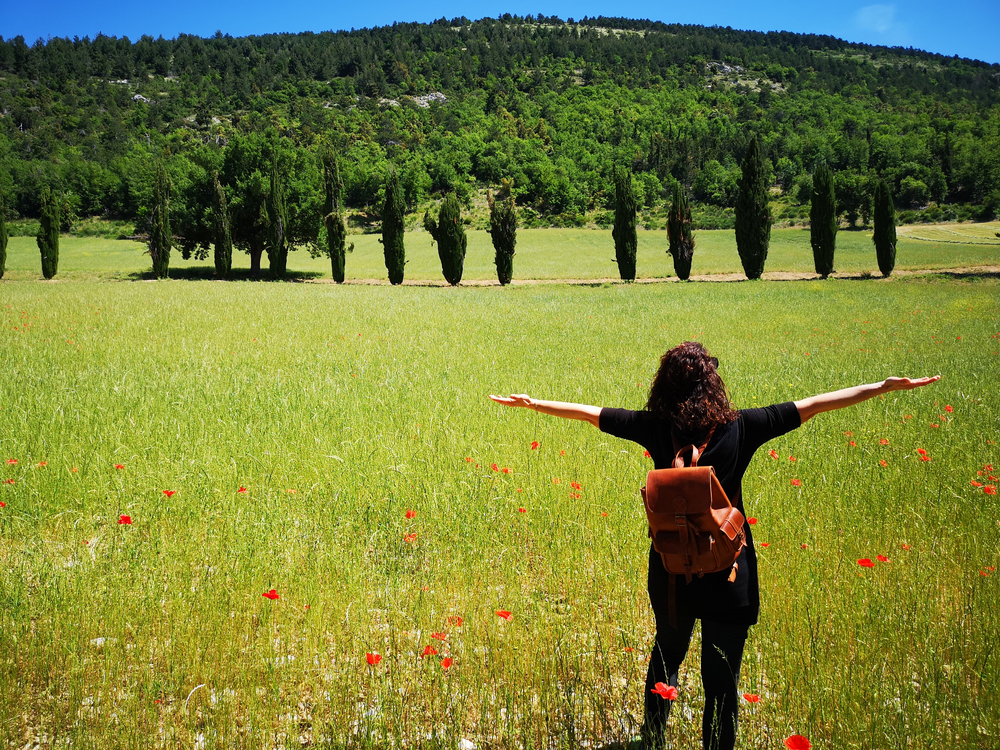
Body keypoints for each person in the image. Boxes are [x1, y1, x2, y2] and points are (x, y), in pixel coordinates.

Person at [489, 341, 939, 750]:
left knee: (667, 655)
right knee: (721, 682)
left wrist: (534, 404)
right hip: (729, 574)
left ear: (664, 386)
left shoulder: (655, 428)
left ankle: (653, 738)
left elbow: (592, 413)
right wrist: (882, 386)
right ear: (713, 387)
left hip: (671, 574)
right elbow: (817, 404)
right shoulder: (744, 427)